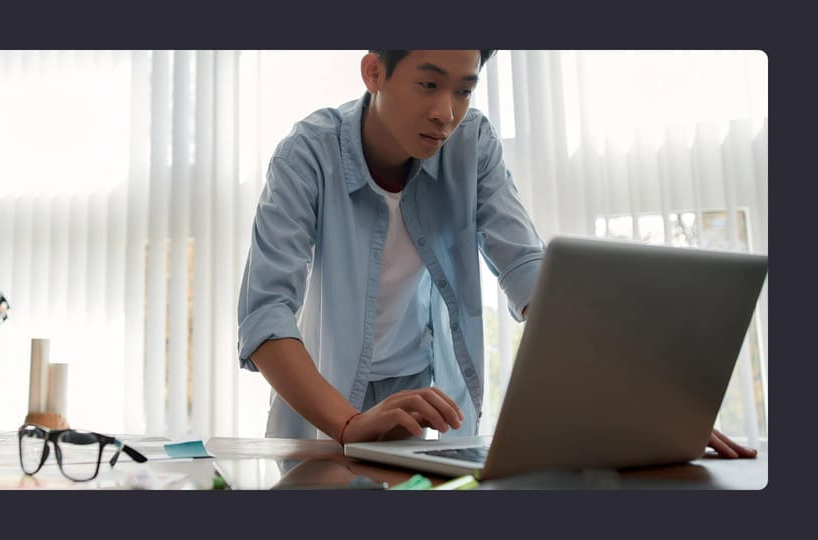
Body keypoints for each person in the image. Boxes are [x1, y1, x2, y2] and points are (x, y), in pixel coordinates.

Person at [237, 50, 756, 459]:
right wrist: (348, 424)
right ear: (374, 72)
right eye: (428, 84)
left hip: (421, 403)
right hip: (321, 406)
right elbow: (266, 313)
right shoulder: (307, 153)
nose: (445, 113)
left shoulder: (472, 143)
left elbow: (529, 272)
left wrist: (650, 404)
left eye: (463, 90)